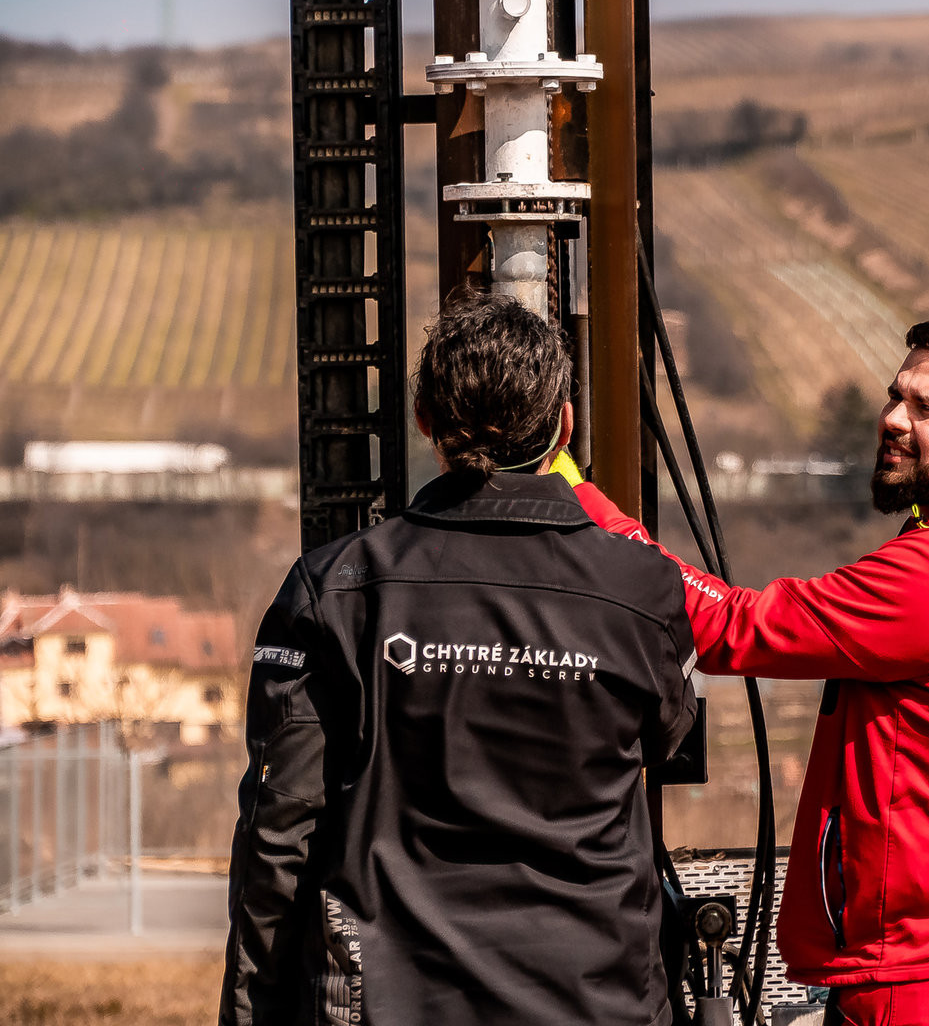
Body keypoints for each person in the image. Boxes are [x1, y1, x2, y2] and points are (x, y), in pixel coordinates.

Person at [566, 312, 929, 1026]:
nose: (893, 419)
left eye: (927, 408)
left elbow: (734, 629)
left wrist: (583, 508)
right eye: (895, 396)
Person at [221, 292, 697, 1026]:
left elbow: (279, 829)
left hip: (387, 1002)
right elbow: (667, 736)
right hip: (597, 998)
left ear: (424, 421)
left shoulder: (336, 589)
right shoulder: (644, 589)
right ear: (565, 424)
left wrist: (251, 1012)